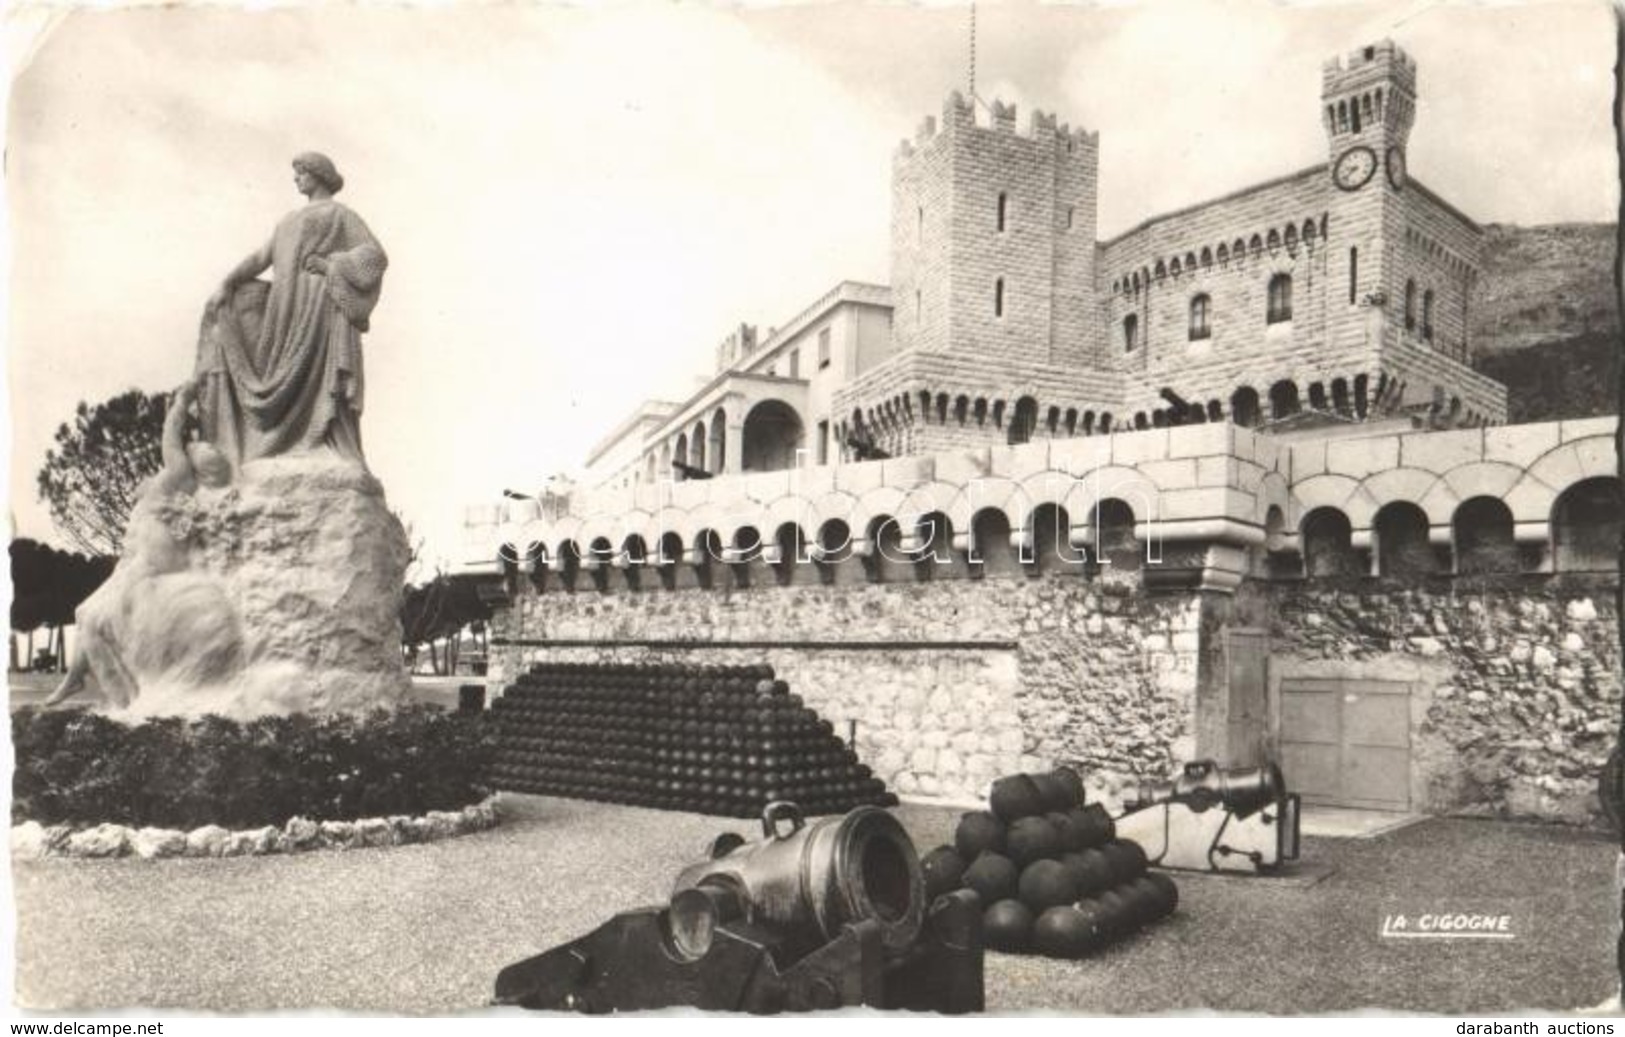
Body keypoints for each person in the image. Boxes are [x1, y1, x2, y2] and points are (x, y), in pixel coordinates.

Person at [47, 383, 242, 708]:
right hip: (138, 568)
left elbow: (171, 433)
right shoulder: (188, 491)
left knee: (89, 617)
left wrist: (181, 403)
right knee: (87, 615)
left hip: (145, 572)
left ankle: (91, 687)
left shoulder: (175, 478)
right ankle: (83, 683)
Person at [197, 151, 388, 472]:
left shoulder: (341, 215)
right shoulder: (287, 221)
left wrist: (332, 266)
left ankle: (325, 443)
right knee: (277, 364)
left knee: (324, 378)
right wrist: (227, 283)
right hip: (285, 312)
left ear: (318, 174)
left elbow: (374, 257)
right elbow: (261, 258)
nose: (296, 178)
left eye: (301, 172)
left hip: (321, 307)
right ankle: (283, 445)